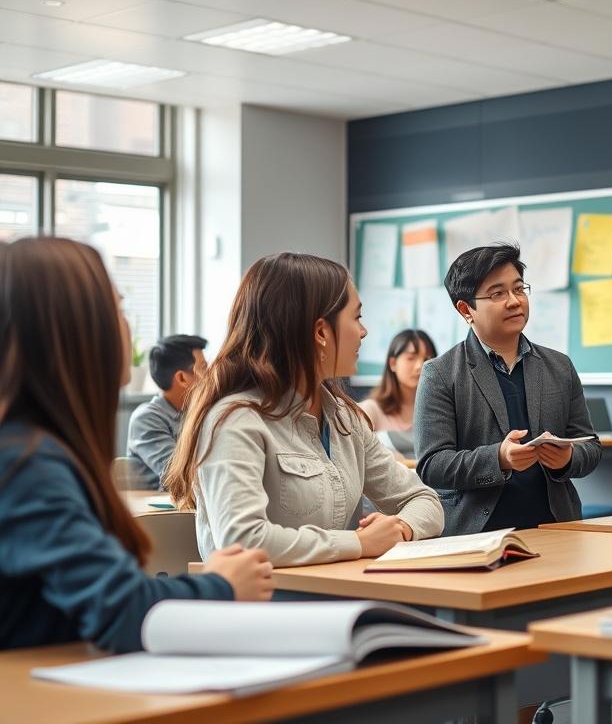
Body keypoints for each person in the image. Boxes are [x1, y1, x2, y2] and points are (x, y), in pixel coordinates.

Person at [0, 237, 272, 653]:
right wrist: (220, 583)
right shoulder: (26, 463)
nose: (128, 325)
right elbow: (121, 611)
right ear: (77, 327)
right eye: (120, 307)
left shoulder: (32, 449)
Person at [164, 253, 443, 567]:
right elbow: (242, 540)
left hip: (339, 598)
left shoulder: (345, 418)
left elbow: (425, 500)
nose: (363, 332)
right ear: (321, 332)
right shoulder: (235, 421)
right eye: (356, 317)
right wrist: (359, 543)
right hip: (267, 609)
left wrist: (401, 529)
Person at [416, 243, 601, 535]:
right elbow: (432, 465)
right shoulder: (440, 373)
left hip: (555, 527)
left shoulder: (559, 366)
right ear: (466, 309)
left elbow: (590, 446)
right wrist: (498, 458)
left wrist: (566, 459)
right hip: (477, 534)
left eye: (519, 289)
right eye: (497, 294)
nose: (515, 301)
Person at [123, 334, 208, 489]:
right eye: (204, 369)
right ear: (182, 378)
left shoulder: (199, 413)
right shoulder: (146, 418)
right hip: (162, 512)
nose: (210, 377)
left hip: (193, 508)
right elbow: (180, 476)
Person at [359, 329, 437, 464]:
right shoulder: (370, 410)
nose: (420, 366)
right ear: (393, 363)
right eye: (411, 358)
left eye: (427, 359)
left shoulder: (438, 411)